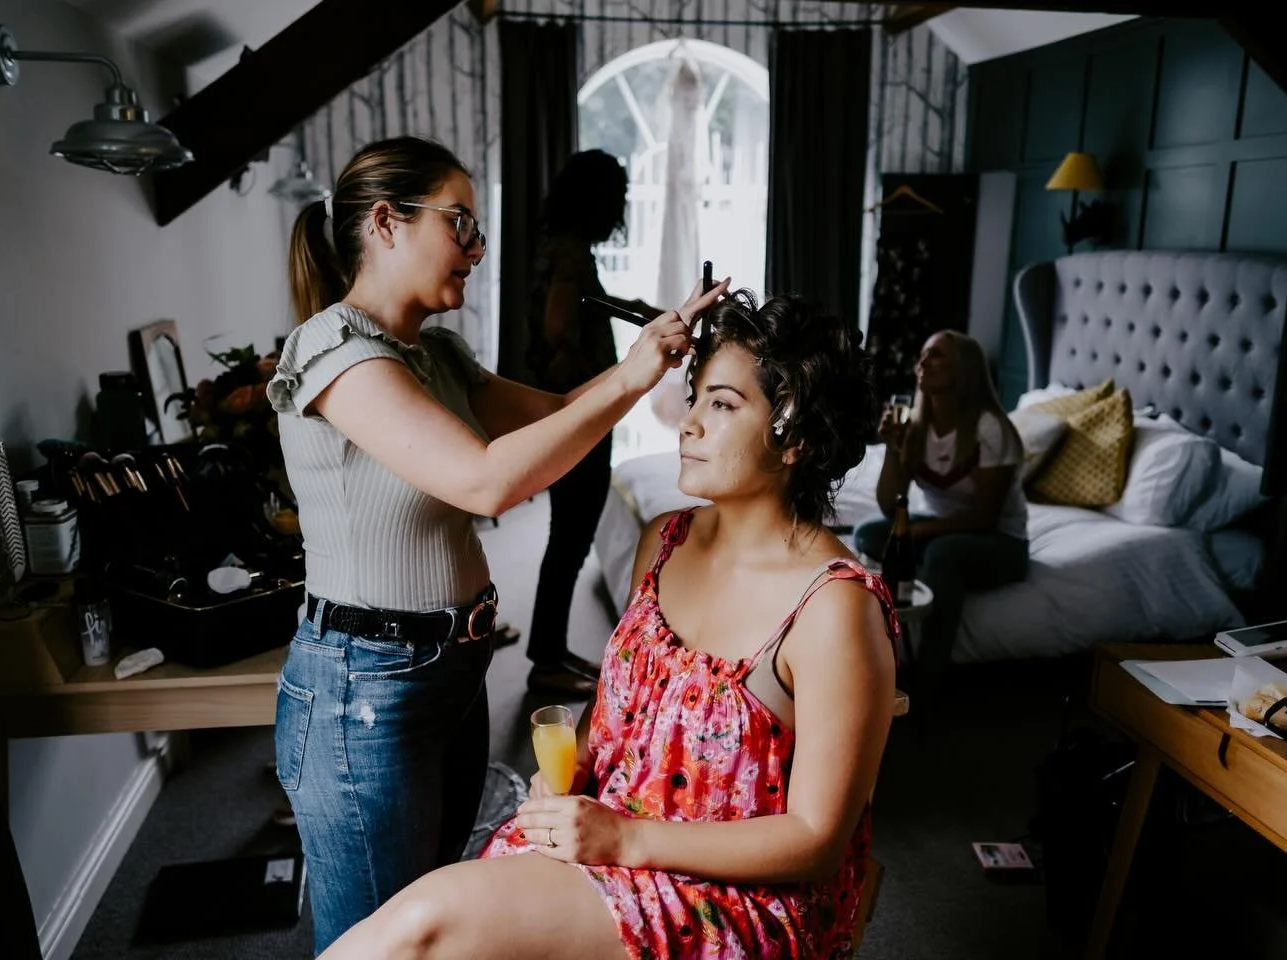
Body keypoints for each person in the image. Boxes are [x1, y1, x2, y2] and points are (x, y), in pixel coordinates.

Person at [317, 291, 899, 960]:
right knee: (430, 923)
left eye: (724, 405)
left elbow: (817, 840)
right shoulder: (665, 541)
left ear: (794, 437)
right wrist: (580, 761)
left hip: (734, 898)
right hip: (607, 838)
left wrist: (626, 840)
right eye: (697, 397)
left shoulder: (835, 610)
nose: (689, 425)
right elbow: (629, 705)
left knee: (428, 924)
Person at [267, 135, 729, 953]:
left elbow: (555, 416)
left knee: (437, 927)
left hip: (450, 673)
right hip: (363, 694)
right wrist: (627, 378)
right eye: (461, 223)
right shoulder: (334, 352)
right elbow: (485, 481)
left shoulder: (434, 353)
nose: (477, 247)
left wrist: (646, 360)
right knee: (377, 941)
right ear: (386, 222)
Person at [522, 149, 664, 698]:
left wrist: (632, 307)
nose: (621, 207)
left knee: (567, 536)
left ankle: (549, 652)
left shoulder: (555, 245)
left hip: (561, 412)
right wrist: (597, 386)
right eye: (618, 197)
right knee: (570, 539)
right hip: (577, 415)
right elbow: (561, 323)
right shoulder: (574, 252)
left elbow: (579, 303)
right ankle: (546, 661)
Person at [854, 329, 1029, 697]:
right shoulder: (917, 425)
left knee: (941, 554)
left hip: (1001, 543)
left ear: (963, 370)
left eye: (936, 355)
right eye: (922, 355)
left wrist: (915, 534)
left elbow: (985, 518)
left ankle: (929, 678)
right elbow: (891, 505)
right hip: (940, 530)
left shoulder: (990, 428)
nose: (922, 363)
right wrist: (891, 448)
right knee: (868, 534)